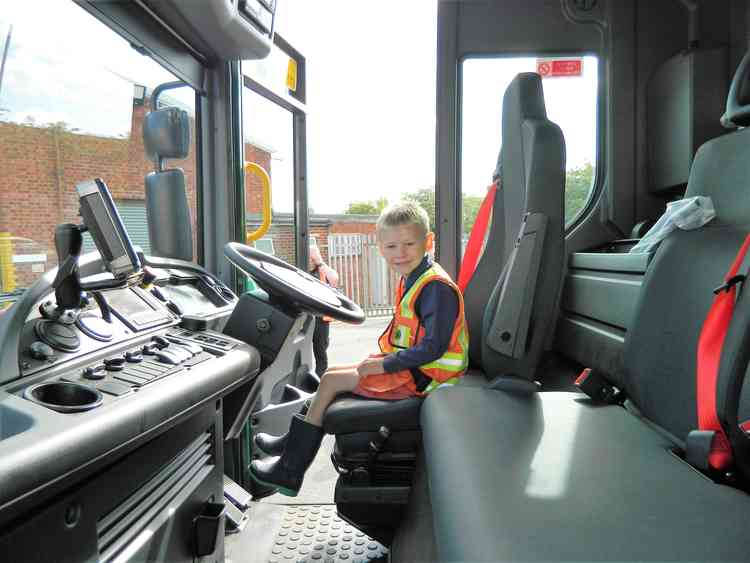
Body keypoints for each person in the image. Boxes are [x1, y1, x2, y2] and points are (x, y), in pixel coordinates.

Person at [249, 201, 469, 497]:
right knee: (337, 373)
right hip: (413, 369)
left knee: (330, 380)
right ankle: (291, 442)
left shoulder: (435, 288)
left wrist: (383, 365)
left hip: (428, 378)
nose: (400, 253)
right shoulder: (416, 278)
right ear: (380, 247)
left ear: (427, 242)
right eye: (391, 246)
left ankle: (290, 470)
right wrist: (384, 362)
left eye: (409, 243)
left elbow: (435, 347)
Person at [309, 243, 339, 377]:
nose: (311, 260)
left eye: (312, 258)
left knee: (320, 350)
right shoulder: (301, 271)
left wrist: (320, 262)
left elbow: (334, 279)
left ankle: (321, 377)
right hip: (307, 316)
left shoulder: (323, 271)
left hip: (321, 318)